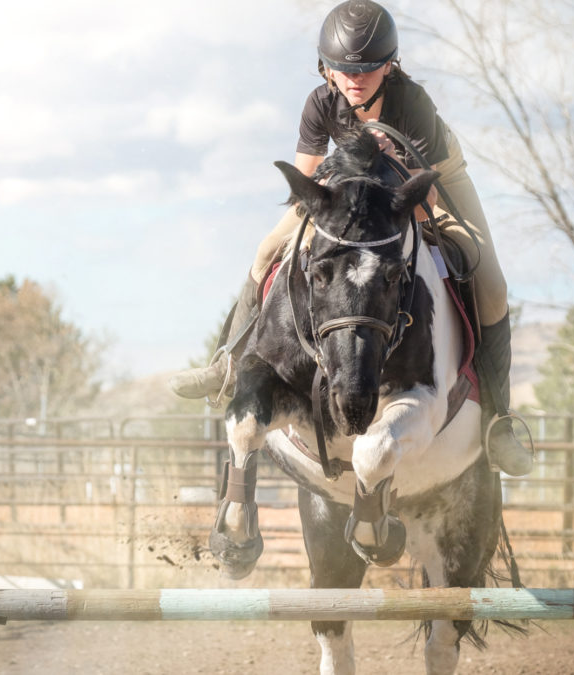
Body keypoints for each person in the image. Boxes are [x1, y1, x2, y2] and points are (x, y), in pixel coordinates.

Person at [169, 0, 532, 476]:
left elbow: (421, 203)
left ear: (389, 65)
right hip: (347, 195)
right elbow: (305, 192)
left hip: (433, 186)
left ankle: (499, 419)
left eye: (367, 68)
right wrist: (344, 174)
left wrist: (391, 161)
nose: (353, 78)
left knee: (491, 282)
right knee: (265, 251)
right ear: (326, 68)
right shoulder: (320, 102)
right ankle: (228, 364)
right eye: (342, 69)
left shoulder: (412, 103)